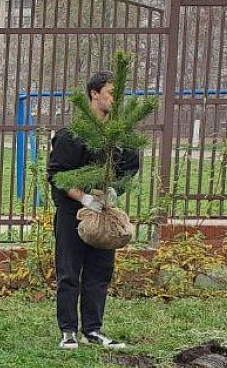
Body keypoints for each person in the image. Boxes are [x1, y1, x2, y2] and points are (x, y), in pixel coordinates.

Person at [47, 71, 141, 350]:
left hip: (104, 215)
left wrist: (114, 191)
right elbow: (57, 174)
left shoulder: (120, 138)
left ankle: (93, 329)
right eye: (112, 93)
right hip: (72, 214)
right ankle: (68, 331)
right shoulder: (72, 136)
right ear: (94, 94)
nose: (116, 100)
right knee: (69, 271)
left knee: (100, 272)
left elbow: (130, 168)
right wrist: (84, 198)